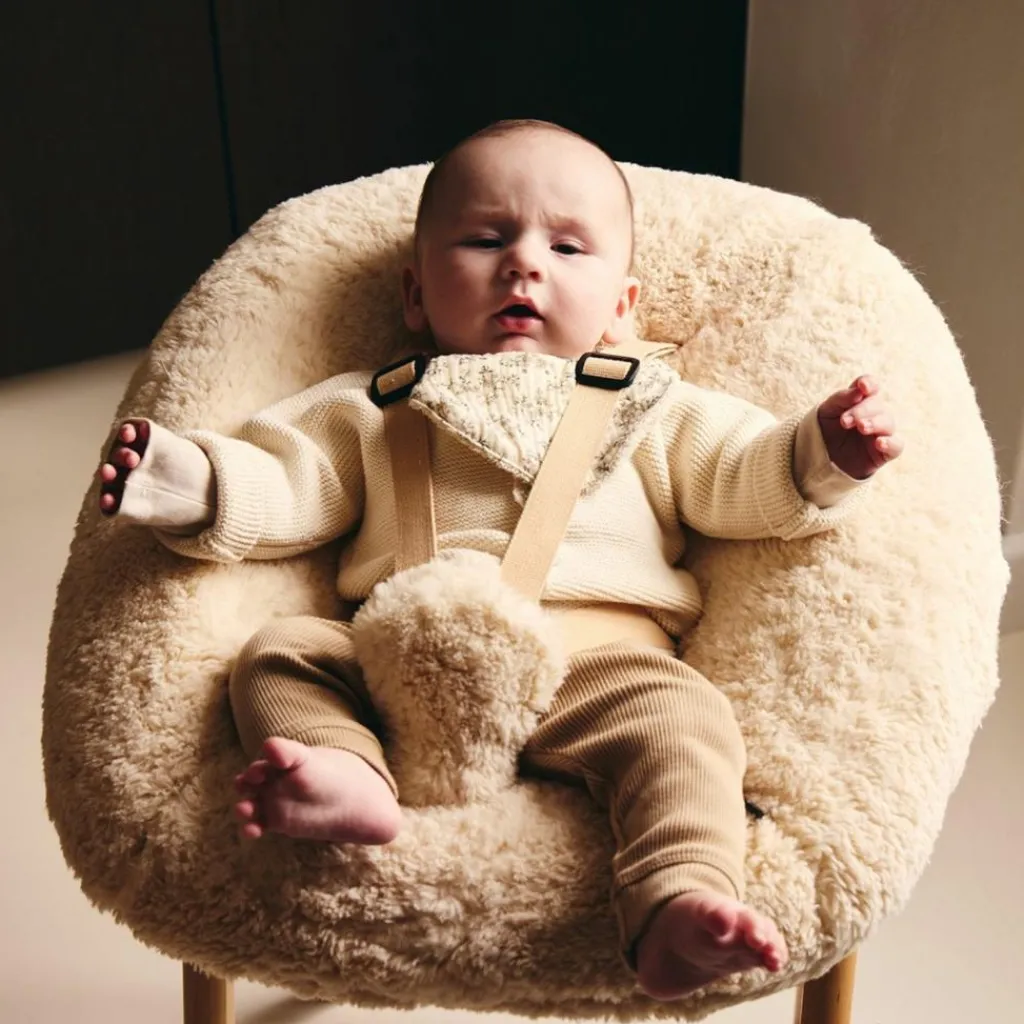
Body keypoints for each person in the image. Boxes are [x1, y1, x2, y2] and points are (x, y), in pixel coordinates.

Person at [97, 119, 903, 999]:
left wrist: (823, 452)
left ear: (622, 305)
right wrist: (188, 482)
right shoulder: (373, 405)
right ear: (415, 295)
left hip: (594, 668)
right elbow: (289, 483)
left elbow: (741, 475)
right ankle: (344, 770)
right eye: (485, 241)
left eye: (567, 247)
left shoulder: (652, 404)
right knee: (280, 653)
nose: (523, 264)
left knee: (685, 720)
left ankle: (677, 897)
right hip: (399, 667)